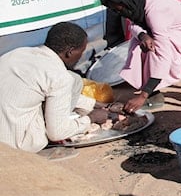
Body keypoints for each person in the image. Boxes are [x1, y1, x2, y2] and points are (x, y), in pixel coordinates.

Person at [100, 0, 181, 113]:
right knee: (139, 43)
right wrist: (143, 35)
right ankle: (152, 91)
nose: (119, 13)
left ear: (126, 0)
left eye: (119, 9)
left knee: (155, 48)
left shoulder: (155, 12)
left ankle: (150, 91)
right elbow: (132, 25)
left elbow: (163, 56)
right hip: (168, 26)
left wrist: (143, 95)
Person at [0, 22, 110, 158]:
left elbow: (44, 90)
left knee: (74, 79)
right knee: (70, 82)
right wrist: (91, 118)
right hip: (15, 144)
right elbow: (57, 132)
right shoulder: (59, 76)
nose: (81, 56)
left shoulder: (16, 53)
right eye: (81, 52)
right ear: (70, 52)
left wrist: (93, 104)